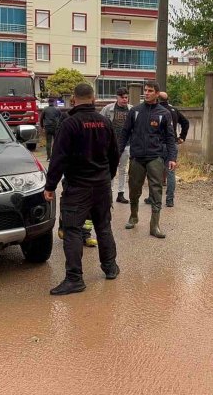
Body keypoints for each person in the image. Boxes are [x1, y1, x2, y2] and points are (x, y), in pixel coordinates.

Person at [44, 83, 120, 295]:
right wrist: (108, 176)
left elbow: (58, 158)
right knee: (103, 226)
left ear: (73, 100)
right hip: (102, 185)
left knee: (73, 230)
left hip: (78, 186)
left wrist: (50, 186)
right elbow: (114, 154)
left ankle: (75, 278)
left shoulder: (69, 124)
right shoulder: (105, 122)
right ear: (93, 98)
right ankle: (110, 267)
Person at [120, 81, 177, 239]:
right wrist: (118, 152)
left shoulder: (163, 113)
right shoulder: (135, 111)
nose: (147, 93)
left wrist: (172, 157)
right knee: (134, 189)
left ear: (157, 94)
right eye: (145, 90)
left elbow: (170, 138)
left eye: (150, 90)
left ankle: (155, 225)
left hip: (155, 157)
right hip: (137, 157)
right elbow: (125, 133)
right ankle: (133, 216)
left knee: (156, 190)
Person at [101, 87, 132, 204]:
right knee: (111, 168)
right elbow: (100, 123)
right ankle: (109, 193)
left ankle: (121, 193)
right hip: (111, 145)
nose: (125, 100)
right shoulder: (108, 109)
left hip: (126, 144)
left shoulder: (131, 109)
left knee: (123, 169)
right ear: (117, 97)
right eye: (122, 97)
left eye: (126, 97)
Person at [159, 91, 189, 208]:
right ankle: (170, 200)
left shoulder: (156, 110)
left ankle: (153, 198)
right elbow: (185, 122)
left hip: (158, 145)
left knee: (154, 171)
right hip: (172, 144)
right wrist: (182, 137)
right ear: (168, 99)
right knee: (171, 172)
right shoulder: (174, 110)